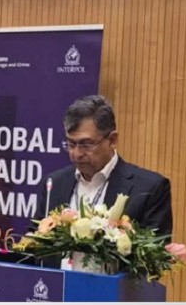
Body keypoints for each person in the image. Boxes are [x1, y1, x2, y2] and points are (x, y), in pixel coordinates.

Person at [35, 95, 173, 267]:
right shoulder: (54, 184)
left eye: (86, 145)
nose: (76, 153)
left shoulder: (149, 188)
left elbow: (154, 259)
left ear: (112, 140)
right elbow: (35, 243)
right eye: (70, 144)